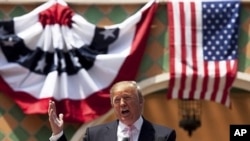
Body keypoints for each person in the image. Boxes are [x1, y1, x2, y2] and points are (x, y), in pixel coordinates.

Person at [48, 80, 176, 141]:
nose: (122, 103)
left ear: (141, 101)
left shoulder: (163, 136)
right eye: (117, 100)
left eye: (127, 98)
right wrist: (58, 133)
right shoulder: (95, 135)